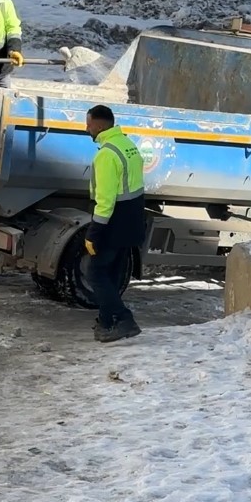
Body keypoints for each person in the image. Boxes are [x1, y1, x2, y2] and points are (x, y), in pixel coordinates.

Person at [83, 105, 146, 343]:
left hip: (113, 223)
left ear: (98, 125)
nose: (87, 128)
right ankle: (107, 322)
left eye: (88, 124)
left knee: (95, 273)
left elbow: (106, 200)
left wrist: (94, 232)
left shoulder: (106, 154)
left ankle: (124, 320)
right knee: (111, 272)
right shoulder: (128, 145)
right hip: (131, 220)